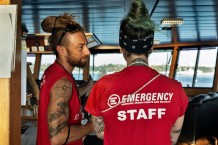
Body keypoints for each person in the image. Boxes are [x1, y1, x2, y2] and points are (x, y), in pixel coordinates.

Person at [85, 0, 189, 145]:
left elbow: (100, 132)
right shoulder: (175, 89)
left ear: (122, 49)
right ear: (151, 48)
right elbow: (173, 137)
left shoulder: (103, 86)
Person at [37, 13, 94, 145]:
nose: (87, 52)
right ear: (62, 50)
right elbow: (58, 137)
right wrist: (92, 126)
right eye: (81, 47)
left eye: (86, 45)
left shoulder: (52, 71)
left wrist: (88, 86)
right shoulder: (63, 81)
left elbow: (69, 96)